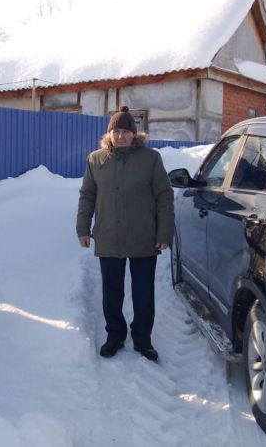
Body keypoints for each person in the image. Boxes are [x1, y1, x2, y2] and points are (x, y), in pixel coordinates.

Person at [76, 106, 174, 360]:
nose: (120, 136)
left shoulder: (151, 159)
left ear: (134, 134)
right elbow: (87, 195)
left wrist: (164, 232)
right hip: (109, 235)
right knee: (112, 292)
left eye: (125, 132)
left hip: (144, 236)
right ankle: (115, 335)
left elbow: (164, 196)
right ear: (109, 134)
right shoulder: (96, 159)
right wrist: (82, 227)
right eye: (116, 131)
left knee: (143, 293)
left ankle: (142, 340)